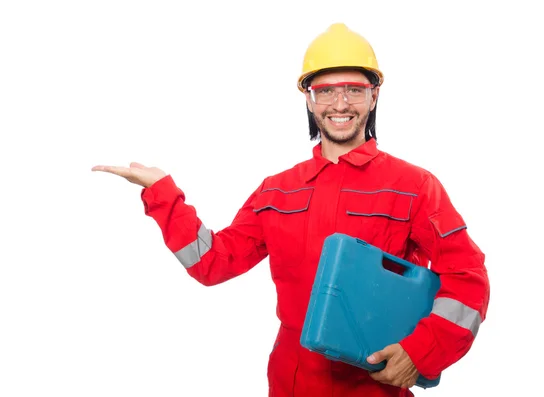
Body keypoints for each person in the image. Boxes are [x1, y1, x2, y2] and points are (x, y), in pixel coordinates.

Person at [92, 23, 490, 397]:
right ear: (308, 98)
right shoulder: (277, 190)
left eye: (353, 89)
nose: (340, 103)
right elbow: (212, 262)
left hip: (372, 383)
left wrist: (420, 353)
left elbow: (467, 280)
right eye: (326, 91)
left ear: (374, 95)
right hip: (290, 382)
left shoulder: (413, 186)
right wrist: (163, 194)